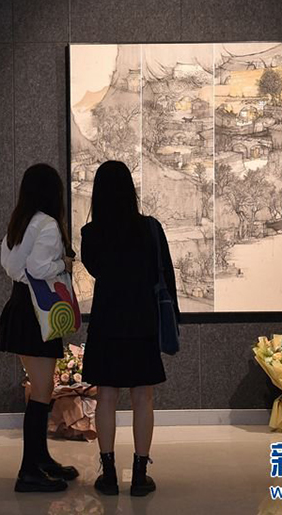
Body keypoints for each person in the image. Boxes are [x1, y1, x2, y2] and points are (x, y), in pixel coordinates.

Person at [80, 160, 179, 497]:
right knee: (143, 397)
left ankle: (108, 474)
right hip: (142, 322)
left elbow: (97, 269)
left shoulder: (91, 234)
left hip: (106, 322)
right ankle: (139, 474)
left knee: (106, 396)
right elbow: (164, 274)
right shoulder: (150, 229)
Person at [0, 163, 80, 493]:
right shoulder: (47, 224)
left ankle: (41, 459)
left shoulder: (19, 223)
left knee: (40, 389)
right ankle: (29, 471)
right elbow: (40, 267)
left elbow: (11, 266)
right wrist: (64, 263)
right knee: (42, 391)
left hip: (20, 307)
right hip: (37, 312)